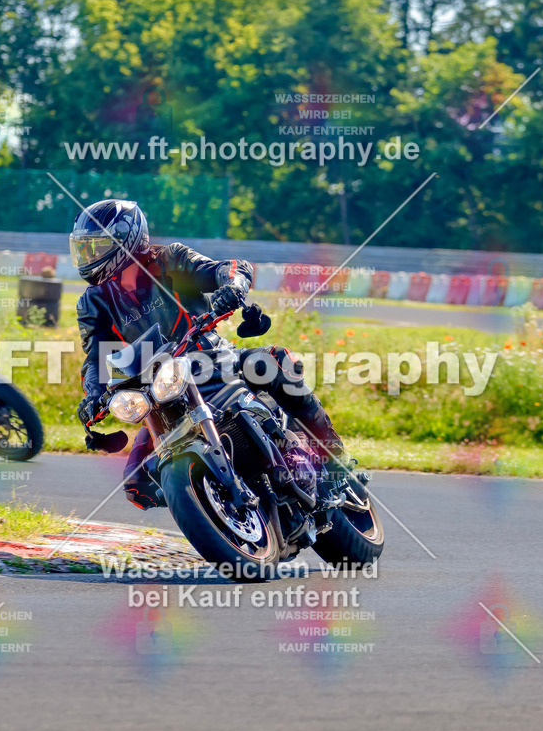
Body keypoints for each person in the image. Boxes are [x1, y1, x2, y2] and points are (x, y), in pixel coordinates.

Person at [70, 198, 344, 509]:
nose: (89, 255)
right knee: (137, 484)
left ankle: (334, 457)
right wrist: (93, 395)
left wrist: (234, 285)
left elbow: (227, 269)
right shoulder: (92, 302)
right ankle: (218, 507)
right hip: (160, 392)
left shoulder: (169, 259)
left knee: (275, 362)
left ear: (127, 238)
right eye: (85, 248)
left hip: (210, 358)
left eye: (97, 246)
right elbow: (95, 358)